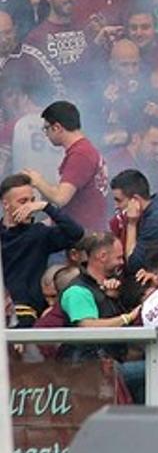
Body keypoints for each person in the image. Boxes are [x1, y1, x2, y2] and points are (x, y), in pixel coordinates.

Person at [1, 173, 84, 318]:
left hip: (27, 312)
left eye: (32, 200)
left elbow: (75, 232)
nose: (29, 206)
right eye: (23, 201)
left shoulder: (39, 233)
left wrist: (46, 207)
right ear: (6, 204)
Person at [23, 100, 110, 231]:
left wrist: (37, 181)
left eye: (46, 128)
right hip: (86, 229)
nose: (46, 134)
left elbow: (60, 198)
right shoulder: (85, 150)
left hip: (81, 236)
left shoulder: (80, 155)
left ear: (57, 127)